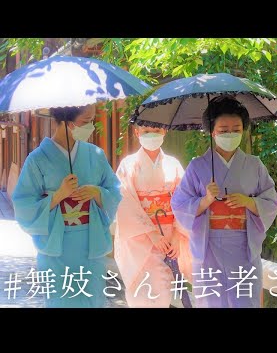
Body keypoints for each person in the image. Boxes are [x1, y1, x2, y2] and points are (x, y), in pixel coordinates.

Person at [171, 96, 277, 308]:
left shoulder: (254, 165)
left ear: (243, 130)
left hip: (243, 246)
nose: (230, 134)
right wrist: (205, 200)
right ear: (212, 132)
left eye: (236, 128)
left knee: (245, 300)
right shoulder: (197, 166)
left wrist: (247, 202)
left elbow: (272, 201)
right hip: (208, 245)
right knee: (211, 302)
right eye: (223, 130)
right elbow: (179, 204)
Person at [11, 105, 122, 308]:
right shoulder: (37, 159)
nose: (91, 126)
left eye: (92, 120)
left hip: (91, 244)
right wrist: (58, 196)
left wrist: (97, 193)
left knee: (92, 301)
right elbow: (24, 205)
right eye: (85, 121)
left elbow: (115, 191)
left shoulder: (95, 154)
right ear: (67, 122)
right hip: (56, 248)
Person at [114, 124, 192, 308]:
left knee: (162, 292)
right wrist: (151, 234)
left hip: (168, 240)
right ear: (136, 132)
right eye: (146, 131)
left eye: (156, 131)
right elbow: (125, 203)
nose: (151, 135)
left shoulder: (173, 165)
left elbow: (185, 201)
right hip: (140, 243)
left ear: (164, 131)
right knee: (140, 292)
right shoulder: (128, 165)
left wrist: (175, 235)